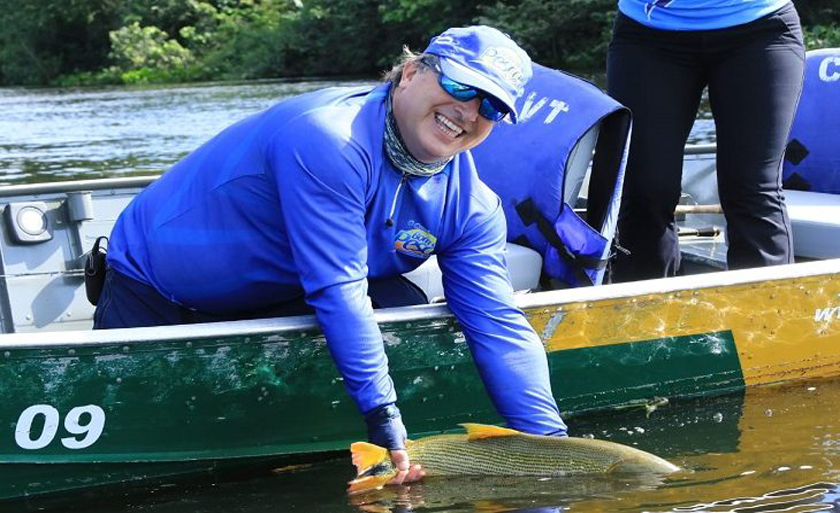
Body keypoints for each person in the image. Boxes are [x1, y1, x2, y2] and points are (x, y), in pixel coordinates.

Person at [93, 26, 568, 485]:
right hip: (155, 291)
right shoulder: (328, 139)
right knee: (125, 447)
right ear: (409, 73)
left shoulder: (474, 207)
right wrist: (384, 419)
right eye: (460, 86)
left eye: (491, 107)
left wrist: (554, 450)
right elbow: (338, 289)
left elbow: (497, 326)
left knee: (401, 309)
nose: (468, 112)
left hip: (285, 297)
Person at [607, 0, 805, 281]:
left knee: (750, 190)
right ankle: (647, 317)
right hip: (647, 35)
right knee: (644, 192)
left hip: (760, 30)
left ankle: (764, 321)